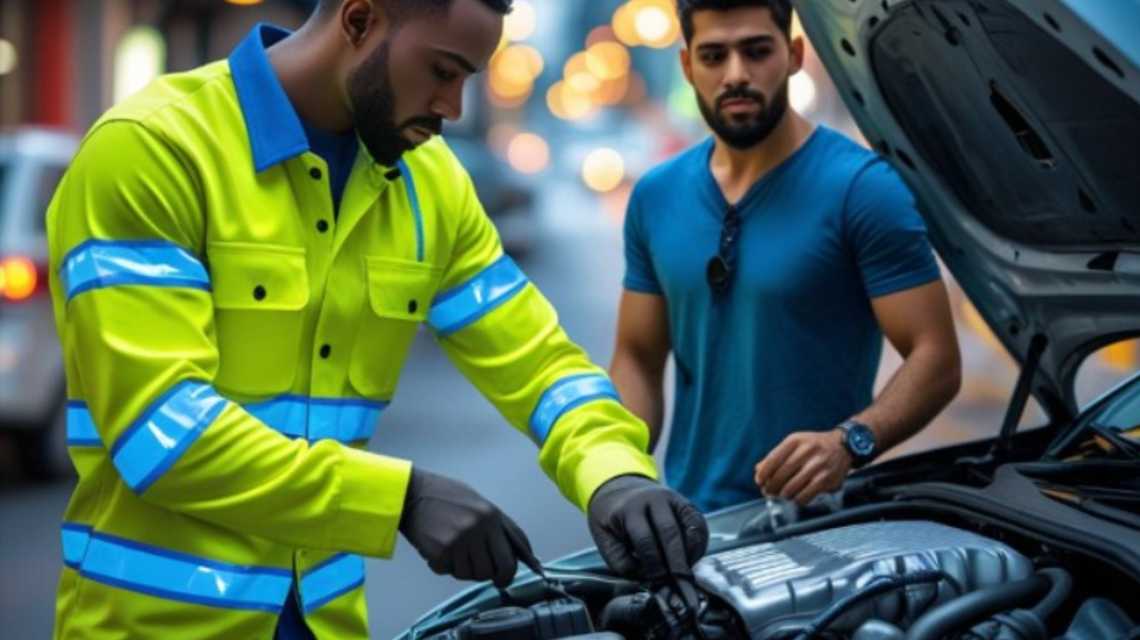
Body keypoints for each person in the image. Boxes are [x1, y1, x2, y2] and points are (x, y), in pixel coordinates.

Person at [46, 1, 707, 638]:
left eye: (466, 80)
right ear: (359, 20)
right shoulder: (154, 151)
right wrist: (402, 498)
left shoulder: (432, 184)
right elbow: (161, 432)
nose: (452, 107)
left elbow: (540, 363)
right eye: (443, 72)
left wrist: (615, 473)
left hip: (327, 625)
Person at [609, 0, 961, 515]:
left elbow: (937, 358)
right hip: (692, 520)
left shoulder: (862, 189)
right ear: (687, 66)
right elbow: (637, 357)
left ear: (793, 55)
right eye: (713, 56)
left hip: (819, 523)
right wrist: (621, 474)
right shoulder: (655, 195)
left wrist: (850, 441)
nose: (736, 75)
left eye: (756, 52)